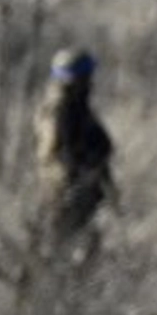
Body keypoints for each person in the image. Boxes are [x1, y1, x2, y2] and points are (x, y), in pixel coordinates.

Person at [33, 47, 116, 267]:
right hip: (68, 191)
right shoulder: (60, 110)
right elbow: (58, 153)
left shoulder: (76, 106)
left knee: (83, 247)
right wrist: (80, 178)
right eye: (87, 76)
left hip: (80, 188)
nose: (91, 82)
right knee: (58, 248)